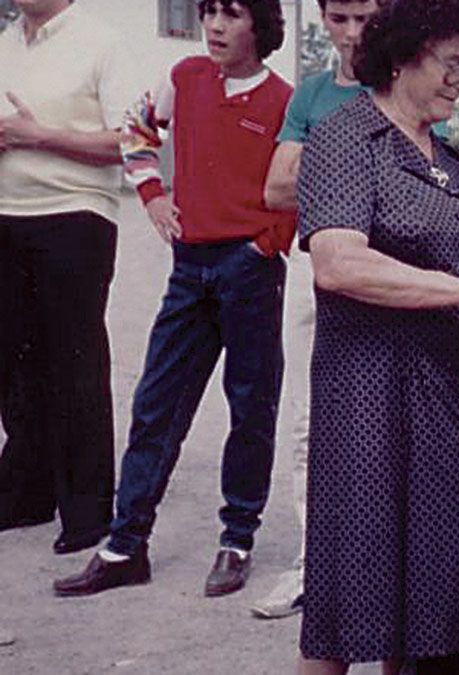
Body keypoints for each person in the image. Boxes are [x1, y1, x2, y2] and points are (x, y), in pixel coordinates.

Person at [293, 1, 459, 672]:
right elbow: (338, 262)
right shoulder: (346, 137)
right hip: (369, 403)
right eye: (453, 63)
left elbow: (453, 271)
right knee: (346, 598)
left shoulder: (450, 158)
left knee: (425, 604)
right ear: (404, 54)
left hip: (444, 403)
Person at [53, 0, 293, 598]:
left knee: (251, 406)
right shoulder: (183, 78)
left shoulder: (284, 100)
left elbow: (300, 184)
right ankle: (125, 545)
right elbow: (135, 129)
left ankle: (236, 539)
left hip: (251, 268)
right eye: (208, 12)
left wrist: (269, 243)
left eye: (231, 15)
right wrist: (154, 192)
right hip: (190, 267)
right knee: (156, 401)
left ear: (259, 26)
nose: (214, 26)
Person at [251, 0, 380, 622]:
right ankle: (313, 560)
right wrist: (356, 170)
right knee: (306, 422)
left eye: (364, 18)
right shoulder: (311, 94)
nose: (352, 35)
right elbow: (275, 189)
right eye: (339, 19)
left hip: (380, 265)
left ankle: (376, 561)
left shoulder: (399, 88)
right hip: (313, 262)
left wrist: (322, 162)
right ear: (325, 20)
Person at [0, 0, 139, 554]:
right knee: (13, 363)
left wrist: (38, 136)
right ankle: (29, 492)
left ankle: (87, 511)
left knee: (73, 362)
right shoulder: (5, 42)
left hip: (75, 215)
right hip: (4, 215)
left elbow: (130, 140)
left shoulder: (101, 43)